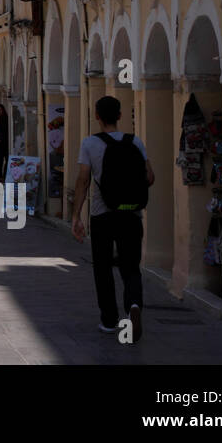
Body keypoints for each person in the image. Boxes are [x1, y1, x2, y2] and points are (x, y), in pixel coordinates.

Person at [71, 95, 155, 342]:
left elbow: (83, 181)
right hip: (131, 214)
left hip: (103, 216)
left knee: (103, 268)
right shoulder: (135, 142)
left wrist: (76, 215)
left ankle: (109, 320)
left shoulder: (89, 144)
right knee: (131, 267)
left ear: (97, 116)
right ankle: (134, 305)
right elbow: (150, 177)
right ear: (120, 115)